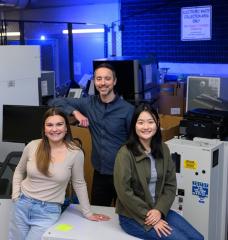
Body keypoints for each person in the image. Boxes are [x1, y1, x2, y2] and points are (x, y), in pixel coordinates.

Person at [9, 108, 110, 240]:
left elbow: (79, 183)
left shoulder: (75, 153)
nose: (54, 129)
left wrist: (88, 213)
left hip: (48, 211)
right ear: (44, 129)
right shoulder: (33, 146)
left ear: (66, 128)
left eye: (59, 124)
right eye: (49, 125)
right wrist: (16, 196)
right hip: (22, 206)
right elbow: (19, 171)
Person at [113, 103, 204, 240]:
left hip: (158, 210)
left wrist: (159, 210)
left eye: (150, 122)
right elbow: (124, 192)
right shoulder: (125, 154)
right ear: (134, 126)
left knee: (198, 238)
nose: (146, 127)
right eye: (141, 122)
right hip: (133, 216)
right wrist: (150, 216)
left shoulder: (163, 149)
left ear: (157, 123)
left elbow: (170, 184)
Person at [49, 63, 134, 206]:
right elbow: (55, 101)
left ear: (114, 81)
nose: (103, 83)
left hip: (123, 173)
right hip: (100, 173)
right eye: (99, 79)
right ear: (94, 81)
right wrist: (76, 112)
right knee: (99, 214)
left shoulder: (127, 110)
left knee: (125, 217)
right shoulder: (89, 103)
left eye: (107, 79)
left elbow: (134, 142)